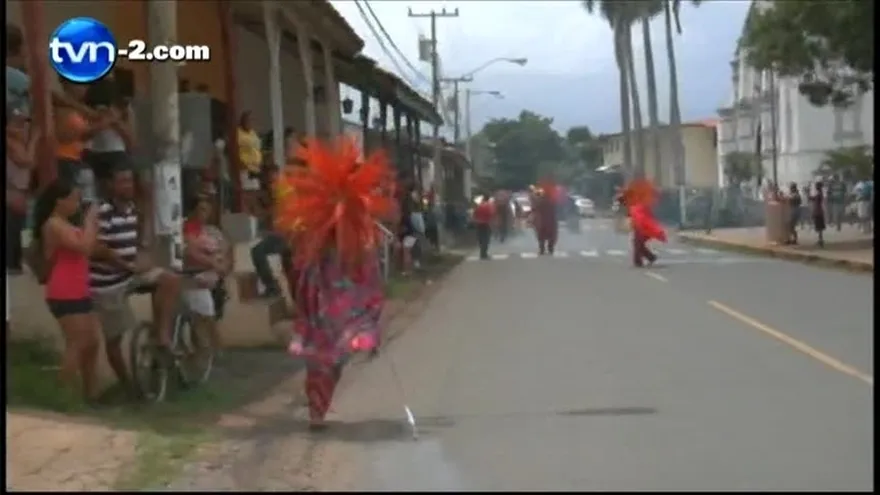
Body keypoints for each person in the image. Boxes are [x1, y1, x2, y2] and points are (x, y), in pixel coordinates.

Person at [277, 137, 392, 431]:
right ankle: (317, 410)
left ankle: (318, 410)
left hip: (334, 299)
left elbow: (366, 267)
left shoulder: (356, 225)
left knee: (326, 358)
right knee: (326, 358)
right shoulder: (314, 223)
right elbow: (302, 256)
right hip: (325, 299)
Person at [89, 164, 183, 378]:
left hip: (130, 274)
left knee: (170, 280)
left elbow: (141, 244)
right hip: (107, 283)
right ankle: (126, 385)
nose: (128, 186)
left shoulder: (133, 210)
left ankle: (162, 336)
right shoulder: (102, 211)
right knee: (114, 340)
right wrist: (125, 264)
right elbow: (95, 249)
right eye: (123, 181)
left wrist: (140, 261)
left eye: (130, 181)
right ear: (110, 185)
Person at [32, 179, 101, 402]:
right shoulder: (53, 225)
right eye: (74, 198)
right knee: (77, 342)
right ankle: (60, 395)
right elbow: (85, 247)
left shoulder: (68, 224)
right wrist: (91, 221)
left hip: (80, 289)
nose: (77, 203)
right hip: (64, 290)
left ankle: (90, 396)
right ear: (59, 201)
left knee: (92, 342)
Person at [182, 196, 231, 352]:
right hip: (195, 278)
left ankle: (209, 349)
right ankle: (214, 349)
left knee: (208, 316)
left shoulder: (211, 230)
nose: (205, 213)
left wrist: (223, 266)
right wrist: (213, 263)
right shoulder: (189, 229)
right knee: (205, 317)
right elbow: (190, 252)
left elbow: (226, 249)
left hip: (214, 279)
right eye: (201, 209)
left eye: (207, 210)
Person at [6, 100, 40, 273]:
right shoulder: (10, 142)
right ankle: (11, 264)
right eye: (16, 123)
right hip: (10, 192)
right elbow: (26, 161)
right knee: (12, 229)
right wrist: (34, 139)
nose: (21, 128)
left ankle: (15, 263)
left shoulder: (19, 141)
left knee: (17, 228)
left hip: (19, 192)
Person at [622, 179, 667, 268]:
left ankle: (642, 260)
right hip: (639, 225)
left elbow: (643, 214)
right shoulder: (636, 203)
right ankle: (649, 258)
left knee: (637, 243)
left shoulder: (641, 203)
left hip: (642, 226)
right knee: (638, 243)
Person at [237, 111, 263, 215]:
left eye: (252, 120)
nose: (250, 122)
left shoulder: (253, 133)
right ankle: (247, 216)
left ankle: (253, 217)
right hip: (245, 168)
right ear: (243, 121)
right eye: (248, 120)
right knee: (246, 195)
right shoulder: (238, 133)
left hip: (255, 169)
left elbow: (257, 149)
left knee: (254, 194)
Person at [531, 183, 559, 255]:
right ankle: (550, 248)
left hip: (543, 221)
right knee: (550, 236)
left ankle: (542, 249)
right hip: (550, 221)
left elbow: (534, 208)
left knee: (541, 236)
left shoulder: (540, 201)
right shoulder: (552, 201)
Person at [472, 193, 495, 260]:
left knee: (480, 238)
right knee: (486, 239)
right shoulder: (489, 205)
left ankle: (482, 252)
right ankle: (484, 254)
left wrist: (475, 220)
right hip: (486, 223)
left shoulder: (479, 205)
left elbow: (474, 214)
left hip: (478, 223)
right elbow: (491, 214)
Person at [810, 181, 827, 247]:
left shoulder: (819, 194)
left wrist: (813, 213)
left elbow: (815, 201)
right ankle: (820, 240)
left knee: (819, 227)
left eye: (817, 186)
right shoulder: (820, 193)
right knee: (819, 227)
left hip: (818, 212)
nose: (816, 187)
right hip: (819, 211)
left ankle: (820, 240)